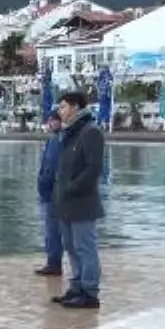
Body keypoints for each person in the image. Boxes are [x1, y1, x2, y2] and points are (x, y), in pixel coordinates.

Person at [52, 92, 105, 308]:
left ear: (75, 107)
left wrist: (73, 188)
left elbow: (93, 169)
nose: (59, 111)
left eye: (63, 106)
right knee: (71, 247)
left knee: (85, 247)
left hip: (81, 202)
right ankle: (77, 286)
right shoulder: (69, 132)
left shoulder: (90, 131)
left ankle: (90, 291)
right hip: (65, 201)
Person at [35, 110, 64, 276]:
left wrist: (43, 187)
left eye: (51, 121)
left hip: (52, 193)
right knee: (54, 229)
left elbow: (50, 167)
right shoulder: (61, 139)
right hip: (56, 191)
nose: (49, 124)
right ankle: (54, 261)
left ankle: (53, 263)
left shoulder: (55, 141)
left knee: (52, 229)